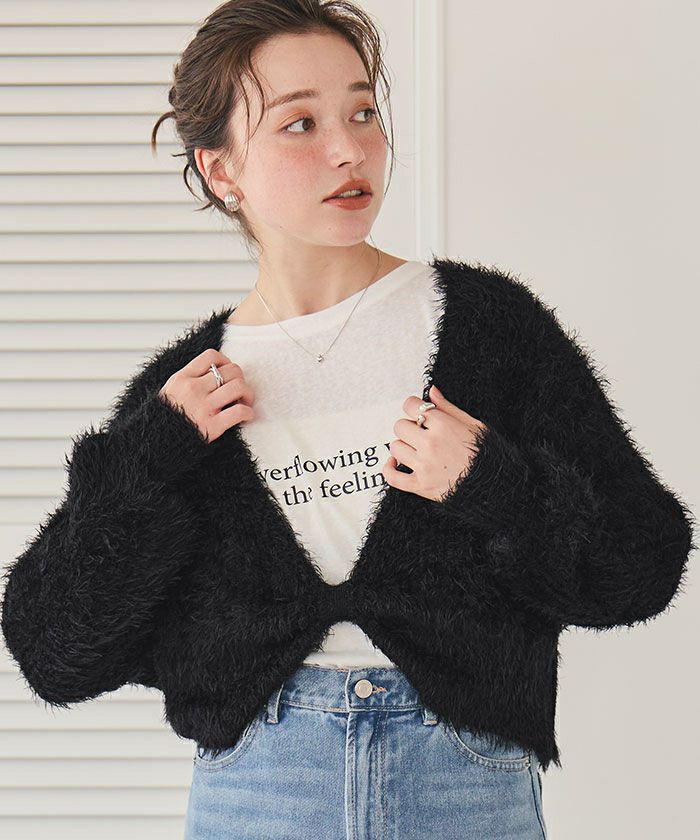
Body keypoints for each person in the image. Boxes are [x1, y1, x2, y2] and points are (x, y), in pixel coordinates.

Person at [1, 3, 693, 839]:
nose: (349, 149)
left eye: (363, 112)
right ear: (221, 170)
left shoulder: (489, 330)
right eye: (300, 123)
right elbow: (55, 650)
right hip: (261, 793)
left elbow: (641, 564)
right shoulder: (183, 397)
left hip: (463, 786)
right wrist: (147, 463)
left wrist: (496, 488)